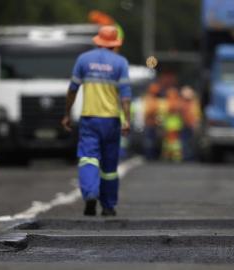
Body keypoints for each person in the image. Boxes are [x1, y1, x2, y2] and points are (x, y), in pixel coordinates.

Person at [61, 25, 131, 217]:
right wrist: (127, 119)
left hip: (90, 119)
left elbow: (72, 89)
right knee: (109, 167)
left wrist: (67, 113)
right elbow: (125, 95)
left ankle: (90, 194)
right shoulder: (120, 63)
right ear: (115, 44)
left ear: (98, 40)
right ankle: (108, 206)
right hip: (111, 121)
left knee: (88, 158)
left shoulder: (84, 60)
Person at [162, 87, 183, 162]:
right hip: (174, 124)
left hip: (171, 124)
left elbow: (166, 111)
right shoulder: (177, 102)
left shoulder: (170, 103)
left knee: (172, 141)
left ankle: (172, 156)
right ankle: (171, 156)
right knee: (172, 141)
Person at [180, 86, 201, 161]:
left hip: (192, 125)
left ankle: (191, 156)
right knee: (185, 141)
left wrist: (196, 122)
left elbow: (196, 114)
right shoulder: (182, 102)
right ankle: (186, 156)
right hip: (184, 125)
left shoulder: (194, 103)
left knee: (192, 142)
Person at [143, 83, 162, 160]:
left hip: (154, 124)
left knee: (153, 141)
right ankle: (149, 156)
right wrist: (155, 110)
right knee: (149, 141)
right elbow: (148, 111)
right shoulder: (149, 98)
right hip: (149, 124)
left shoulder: (155, 99)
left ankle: (153, 155)